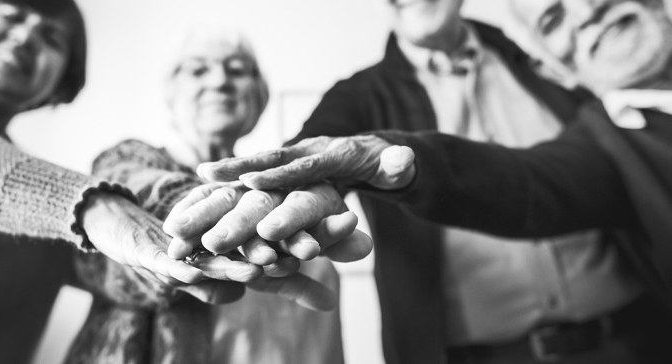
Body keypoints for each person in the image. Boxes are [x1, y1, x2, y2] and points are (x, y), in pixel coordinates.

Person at [0, 1, 357, 363]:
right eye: (10, 12)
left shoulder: (293, 220)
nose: (26, 35)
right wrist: (99, 209)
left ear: (61, 84)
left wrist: (206, 248)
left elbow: (111, 268)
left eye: (52, 38)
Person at [166, 1, 656, 363]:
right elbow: (309, 156)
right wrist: (274, 192)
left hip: (639, 334)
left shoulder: (547, 53)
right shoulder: (359, 96)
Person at [64, 26, 355, 364]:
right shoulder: (128, 160)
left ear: (258, 96)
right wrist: (203, 208)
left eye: (236, 70)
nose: (219, 81)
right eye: (198, 69)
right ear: (172, 93)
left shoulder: (290, 195)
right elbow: (121, 199)